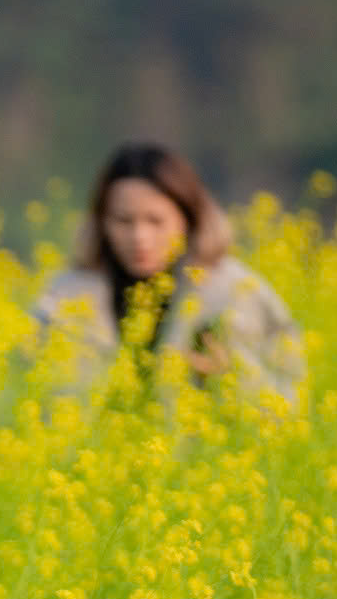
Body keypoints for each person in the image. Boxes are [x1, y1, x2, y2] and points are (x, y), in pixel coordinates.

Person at [32, 141, 303, 403]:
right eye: (123, 220)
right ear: (102, 222)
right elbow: (31, 391)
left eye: (156, 221)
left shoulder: (232, 294)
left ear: (188, 219)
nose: (139, 237)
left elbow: (283, 401)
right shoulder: (66, 297)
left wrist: (229, 380)